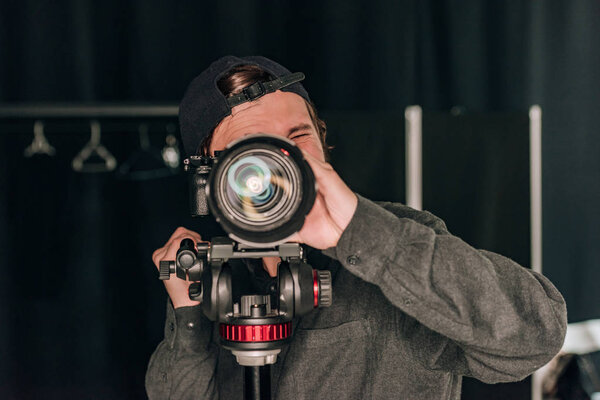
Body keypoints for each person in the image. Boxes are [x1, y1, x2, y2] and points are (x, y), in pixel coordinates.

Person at [146, 55, 567, 399]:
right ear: (207, 178)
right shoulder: (211, 274)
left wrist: (364, 236)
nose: (282, 162)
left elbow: (536, 336)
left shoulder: (402, 236)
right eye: (253, 150)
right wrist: (189, 320)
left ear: (323, 144)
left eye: (297, 138)